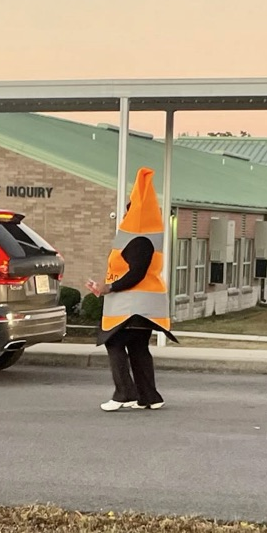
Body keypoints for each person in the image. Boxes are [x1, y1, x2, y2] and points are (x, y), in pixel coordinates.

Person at [86, 167, 176, 412]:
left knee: (114, 343)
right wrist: (104, 287)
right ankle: (150, 396)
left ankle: (124, 393)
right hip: (143, 307)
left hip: (132, 307)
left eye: (127, 214)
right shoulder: (145, 240)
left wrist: (109, 287)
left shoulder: (138, 241)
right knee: (138, 348)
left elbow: (135, 274)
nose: (123, 220)